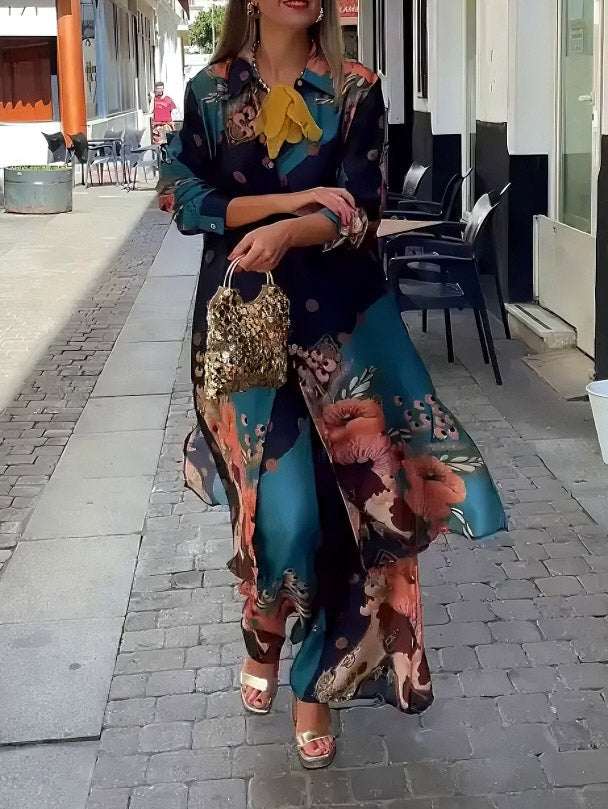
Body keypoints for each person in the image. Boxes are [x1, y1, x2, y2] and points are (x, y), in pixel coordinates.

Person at [157, 0, 506, 770]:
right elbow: (183, 197)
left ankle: (314, 685)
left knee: (349, 517)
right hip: (245, 336)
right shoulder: (211, 92)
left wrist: (296, 228)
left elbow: (361, 210)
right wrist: (285, 205)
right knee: (280, 519)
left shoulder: (356, 90)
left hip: (343, 338)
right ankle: (263, 625)